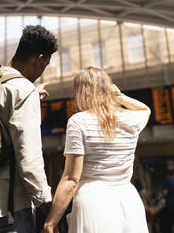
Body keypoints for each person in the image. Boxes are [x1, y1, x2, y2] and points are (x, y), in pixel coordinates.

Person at [0, 25, 58, 232]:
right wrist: (47, 205)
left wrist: (31, 92)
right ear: (39, 58)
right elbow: (29, 158)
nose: (43, 71)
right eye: (46, 64)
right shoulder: (24, 91)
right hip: (7, 211)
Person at [42, 67, 151, 233]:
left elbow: (71, 179)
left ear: (80, 91)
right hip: (128, 202)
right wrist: (120, 97)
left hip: (94, 202)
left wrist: (50, 223)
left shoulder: (78, 122)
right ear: (107, 88)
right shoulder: (131, 119)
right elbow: (145, 110)